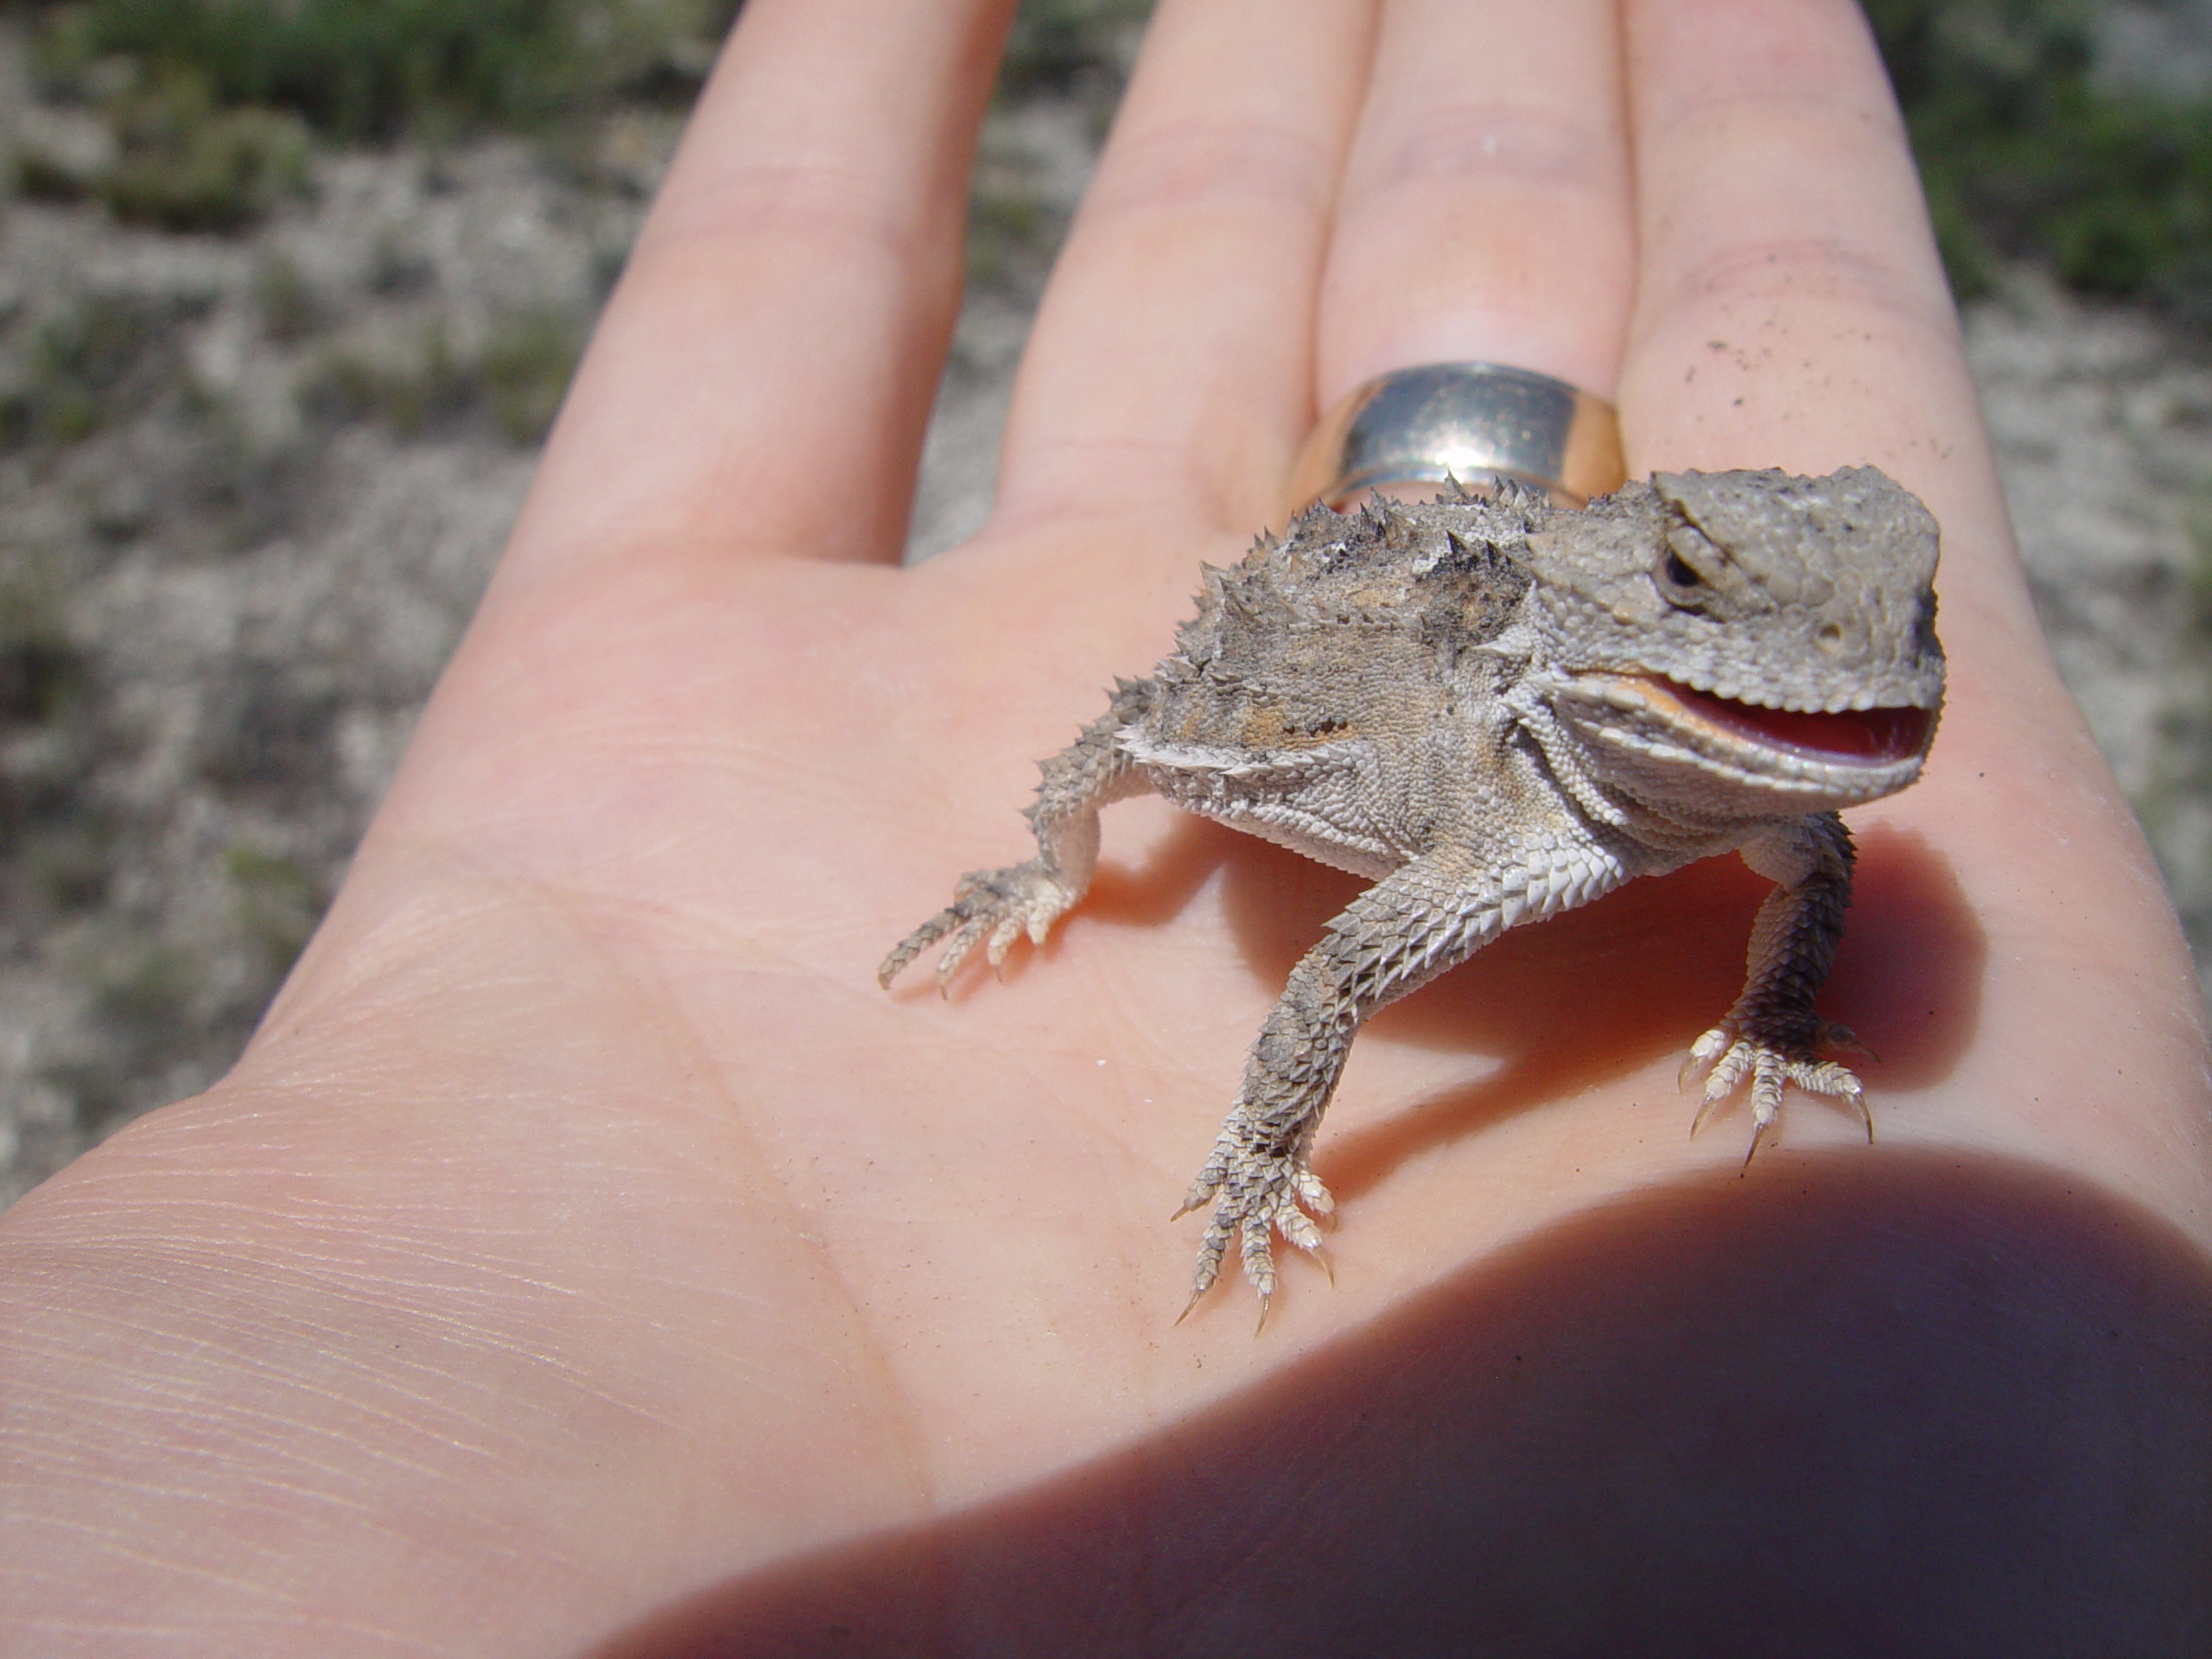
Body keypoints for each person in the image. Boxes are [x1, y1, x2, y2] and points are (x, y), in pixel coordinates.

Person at [5, 0, 2208, 1651]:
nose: (1889, 684)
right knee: (1141, 753)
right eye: (1743, 618)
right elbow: (1338, 962)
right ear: (1624, 629)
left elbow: (1808, 843)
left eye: (1899, 622)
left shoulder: (1750, 797)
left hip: (1537, 656)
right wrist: (1239, 1134)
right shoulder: (1505, 814)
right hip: (1331, 688)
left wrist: (1771, 1009)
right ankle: (1058, 894)